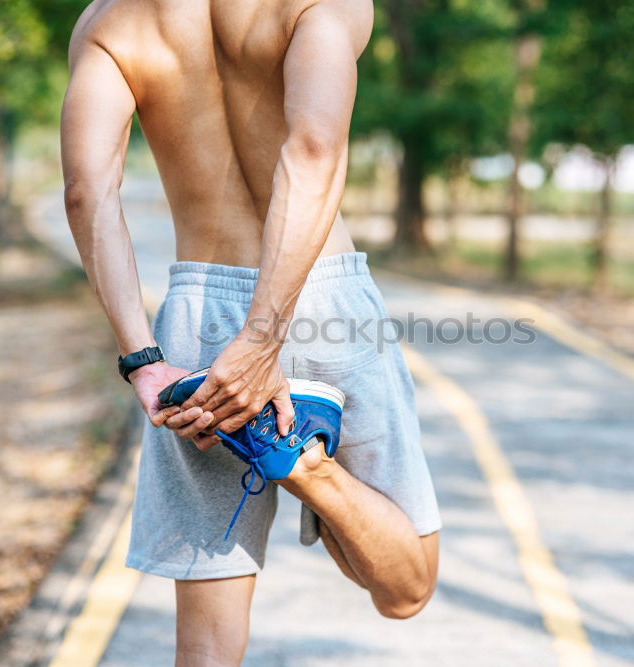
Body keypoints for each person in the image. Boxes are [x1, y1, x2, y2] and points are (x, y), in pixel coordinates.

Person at [60, 0, 441, 663]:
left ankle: (286, 452)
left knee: (206, 641)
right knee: (405, 589)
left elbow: (87, 191)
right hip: (321, 293)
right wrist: (262, 339)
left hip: (195, 321)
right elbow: (315, 148)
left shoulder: (111, 21)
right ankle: (305, 465)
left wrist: (143, 358)